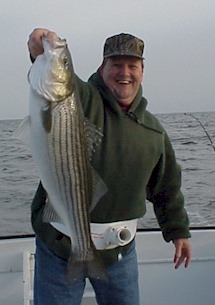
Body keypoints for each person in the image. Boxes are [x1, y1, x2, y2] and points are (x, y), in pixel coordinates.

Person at [28, 28, 192, 305]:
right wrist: (39, 51)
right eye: (116, 64)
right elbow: (59, 83)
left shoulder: (154, 131)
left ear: (142, 70)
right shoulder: (81, 99)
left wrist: (178, 231)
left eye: (132, 65)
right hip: (60, 247)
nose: (124, 72)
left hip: (120, 253)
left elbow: (166, 186)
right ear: (102, 68)